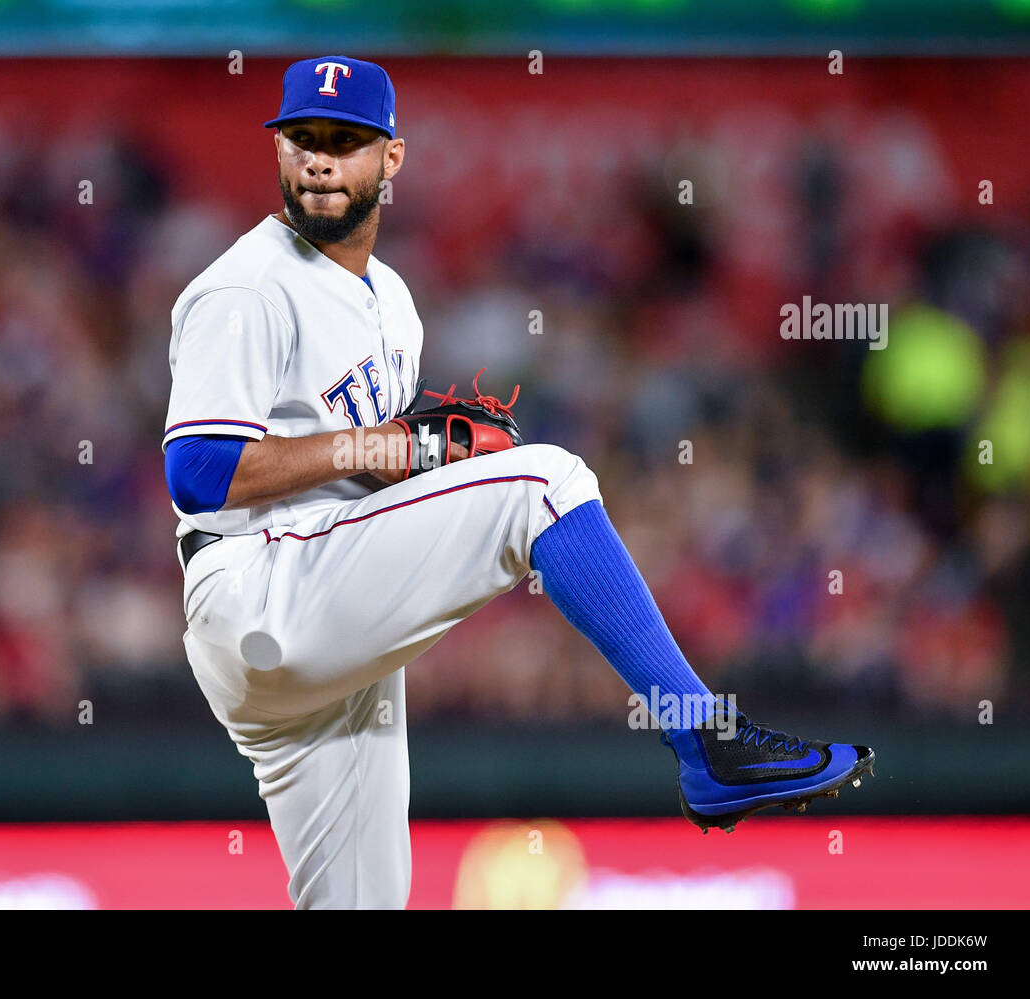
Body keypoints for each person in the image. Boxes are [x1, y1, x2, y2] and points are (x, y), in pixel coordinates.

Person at [161, 55, 874, 909]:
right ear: (278, 149)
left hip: (322, 611)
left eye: (344, 141)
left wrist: (417, 454)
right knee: (546, 483)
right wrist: (381, 447)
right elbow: (198, 471)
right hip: (259, 587)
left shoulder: (392, 300)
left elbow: (366, 465)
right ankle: (705, 738)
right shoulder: (246, 286)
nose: (319, 160)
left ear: (391, 158)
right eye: (301, 139)